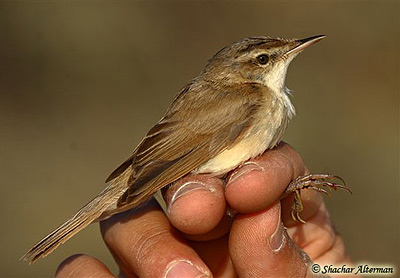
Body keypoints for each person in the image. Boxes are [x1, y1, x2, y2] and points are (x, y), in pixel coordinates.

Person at [56, 143, 353, 277]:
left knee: (242, 191)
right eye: (264, 59)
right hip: (175, 159)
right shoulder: (253, 98)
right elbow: (191, 150)